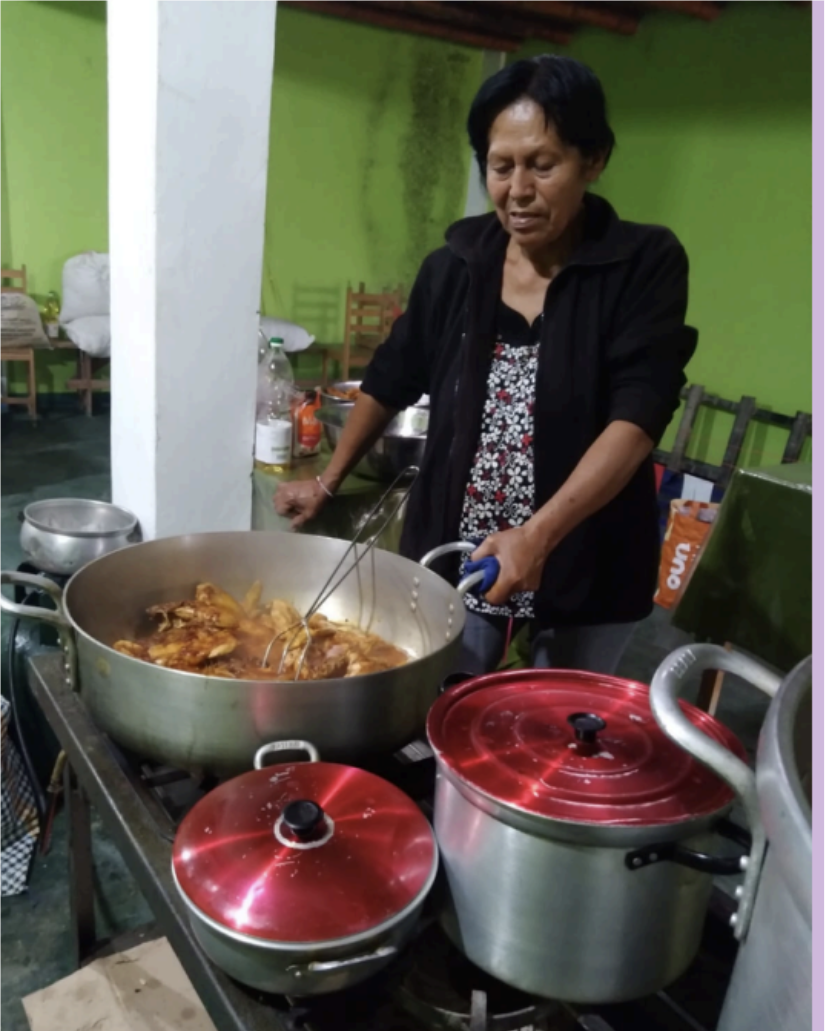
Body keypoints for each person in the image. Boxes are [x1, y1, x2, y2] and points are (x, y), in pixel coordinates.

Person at [274, 54, 697, 677]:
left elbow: (639, 412)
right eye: (501, 167)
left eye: (543, 165)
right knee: (448, 706)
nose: (518, 190)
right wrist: (328, 480)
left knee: (559, 725)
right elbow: (392, 373)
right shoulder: (456, 265)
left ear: (595, 159)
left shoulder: (643, 264)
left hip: (585, 557)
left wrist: (538, 536)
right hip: (461, 556)